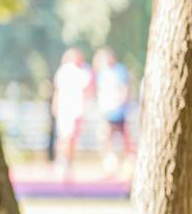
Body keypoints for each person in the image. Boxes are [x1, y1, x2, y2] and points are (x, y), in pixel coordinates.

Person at [51, 47, 93, 181]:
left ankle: (67, 162)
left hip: (77, 110)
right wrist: (55, 105)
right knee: (64, 137)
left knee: (71, 138)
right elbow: (58, 90)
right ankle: (61, 161)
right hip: (66, 110)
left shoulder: (83, 71)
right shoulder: (65, 71)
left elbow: (89, 89)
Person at [93, 48, 134, 174]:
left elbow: (125, 89)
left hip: (118, 108)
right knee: (105, 136)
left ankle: (129, 160)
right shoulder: (102, 72)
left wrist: (123, 102)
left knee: (124, 135)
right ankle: (109, 161)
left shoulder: (119, 70)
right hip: (106, 109)